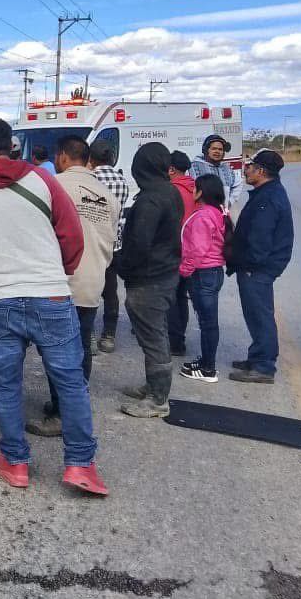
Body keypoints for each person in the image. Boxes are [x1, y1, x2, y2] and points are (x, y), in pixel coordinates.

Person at [0, 118, 106, 496]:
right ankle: (81, 465)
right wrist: (58, 272)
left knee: (6, 384)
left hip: (1, 299)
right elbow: (71, 235)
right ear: (12, 145)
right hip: (51, 294)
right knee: (70, 382)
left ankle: (15, 462)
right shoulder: (43, 180)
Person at [27, 135, 118, 438]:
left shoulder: (55, 187)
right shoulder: (108, 195)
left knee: (57, 349)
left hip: (60, 280)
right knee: (81, 347)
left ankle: (63, 414)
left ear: (63, 157)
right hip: (93, 281)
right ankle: (74, 406)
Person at [116, 143, 183, 418]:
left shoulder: (150, 200)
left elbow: (139, 245)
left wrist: (120, 264)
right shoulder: (170, 191)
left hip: (149, 278)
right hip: (166, 273)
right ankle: (153, 387)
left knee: (153, 337)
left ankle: (158, 399)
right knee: (156, 334)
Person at [228, 149, 292, 383]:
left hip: (257, 268)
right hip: (257, 266)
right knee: (255, 314)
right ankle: (257, 358)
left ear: (261, 171)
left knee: (260, 315)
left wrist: (247, 264)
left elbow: (260, 238)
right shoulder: (266, 192)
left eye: (249, 166)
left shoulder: (269, 198)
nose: (245, 169)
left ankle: (264, 366)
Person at [178, 174, 229, 383]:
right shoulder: (216, 212)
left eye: (195, 188)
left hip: (204, 272)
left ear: (201, 192)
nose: (192, 191)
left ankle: (208, 369)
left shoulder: (202, 216)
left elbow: (197, 250)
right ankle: (206, 360)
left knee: (208, 323)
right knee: (208, 321)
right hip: (213, 271)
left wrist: (184, 270)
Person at [88, 140, 129, 354]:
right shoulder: (122, 181)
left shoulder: (91, 179)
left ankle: (90, 334)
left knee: (90, 289)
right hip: (114, 243)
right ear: (112, 159)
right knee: (110, 291)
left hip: (92, 243)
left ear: (91, 159)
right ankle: (109, 335)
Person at [167, 150, 197, 357]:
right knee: (181, 298)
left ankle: (174, 341)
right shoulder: (196, 189)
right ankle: (179, 340)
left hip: (174, 252)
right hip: (194, 254)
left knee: (171, 298)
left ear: (171, 169)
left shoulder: (171, 191)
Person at [190, 134, 242, 208]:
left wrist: (229, 202)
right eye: (214, 149)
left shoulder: (227, 169)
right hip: (203, 214)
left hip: (223, 213)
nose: (217, 151)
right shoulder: (193, 167)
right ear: (206, 150)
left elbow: (238, 184)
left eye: (220, 149)